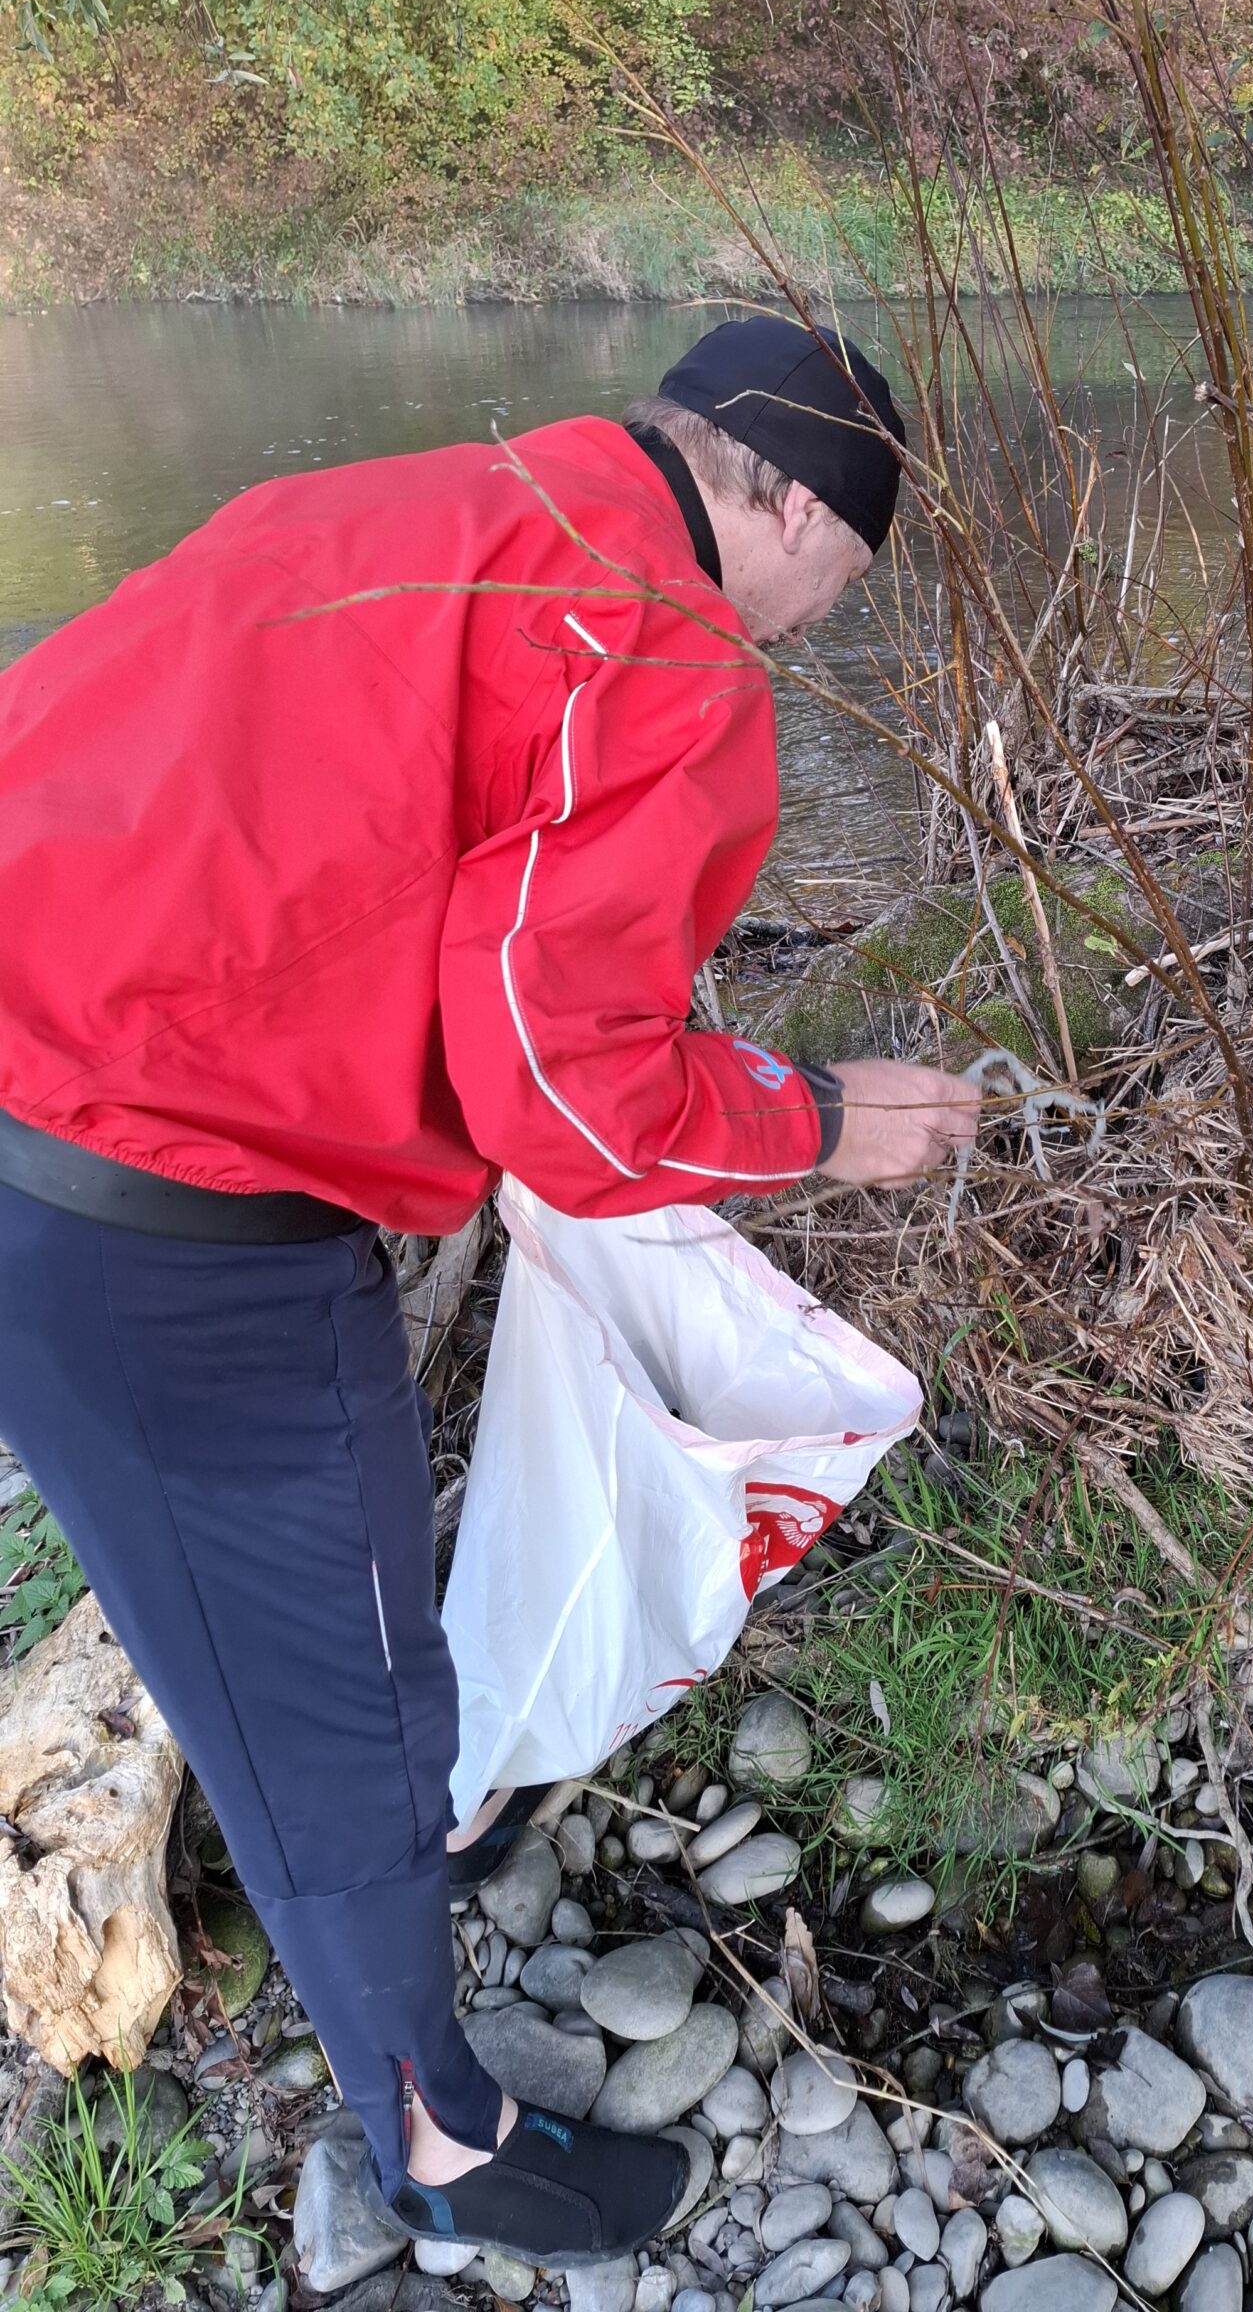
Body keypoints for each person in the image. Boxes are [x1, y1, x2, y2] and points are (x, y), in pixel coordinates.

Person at [0, 315, 979, 2267]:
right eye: (830, 583)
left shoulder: (432, 499)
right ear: (777, 492)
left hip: (49, 1061)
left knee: (300, 1651)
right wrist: (821, 1115)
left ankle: (417, 1826)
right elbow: (566, 1096)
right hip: (152, 1213)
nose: (804, 630)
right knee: (329, 1698)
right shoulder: (669, 652)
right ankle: (440, 2135)